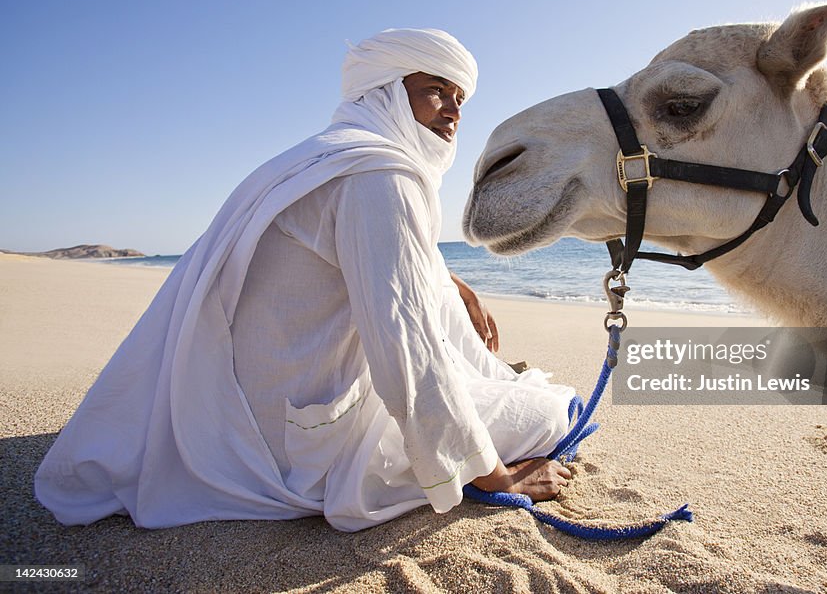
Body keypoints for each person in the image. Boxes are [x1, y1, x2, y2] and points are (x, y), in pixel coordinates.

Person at [35, 28, 575, 532]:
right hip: (296, 452)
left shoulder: (317, 159)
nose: (454, 111)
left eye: (461, 98)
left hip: (239, 416)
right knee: (552, 411)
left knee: (501, 389)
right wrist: (495, 478)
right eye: (436, 91)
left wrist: (446, 278)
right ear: (383, 92)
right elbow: (405, 350)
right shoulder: (378, 175)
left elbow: (379, 258)